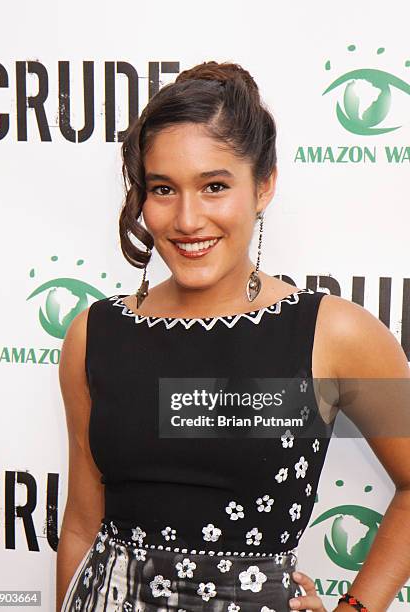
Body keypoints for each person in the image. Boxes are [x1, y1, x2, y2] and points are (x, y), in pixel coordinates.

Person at [56, 61, 410, 611]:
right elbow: (81, 524)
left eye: (214, 186)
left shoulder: (335, 333)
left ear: (263, 186)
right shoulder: (93, 334)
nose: (188, 219)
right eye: (163, 189)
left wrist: (355, 609)